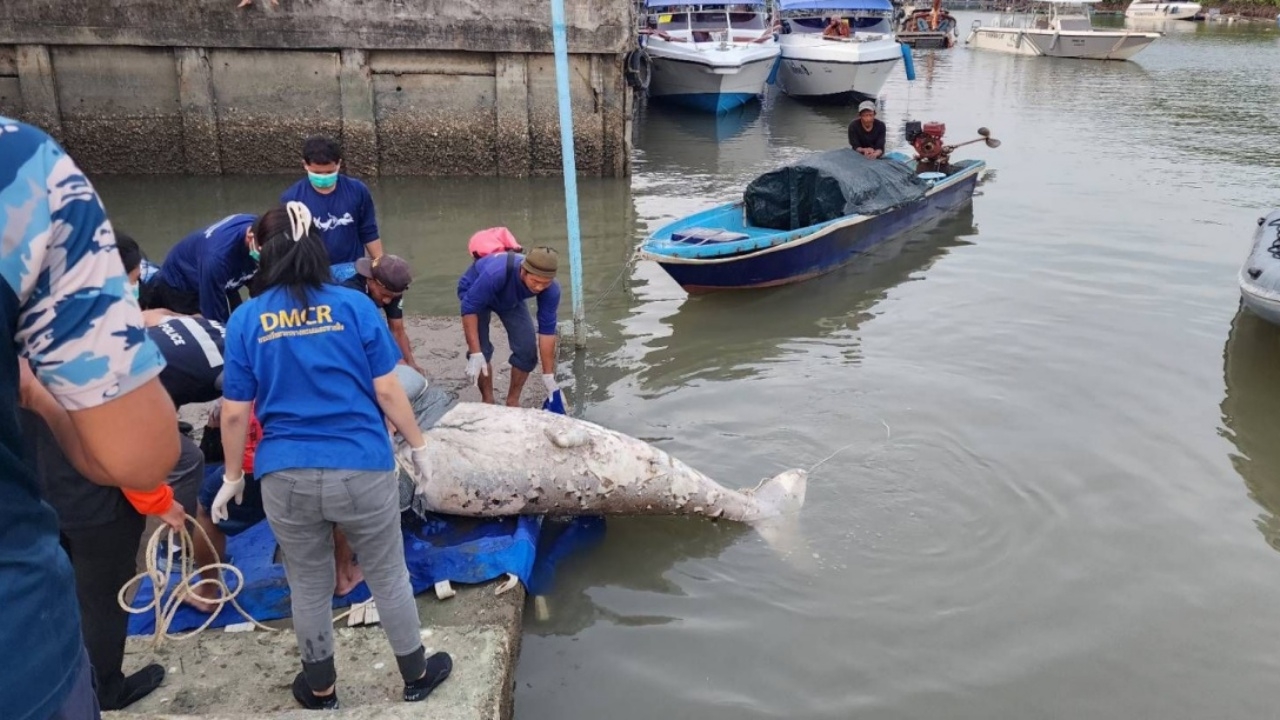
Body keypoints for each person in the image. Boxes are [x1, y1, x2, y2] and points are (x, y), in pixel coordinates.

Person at [210, 201, 451, 708]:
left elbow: (234, 413)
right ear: (318, 250)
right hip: (361, 466)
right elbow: (388, 391)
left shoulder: (247, 320)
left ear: (262, 254)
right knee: (388, 572)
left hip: (284, 475)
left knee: (308, 584)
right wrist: (421, 445)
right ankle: (415, 675)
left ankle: (320, 688)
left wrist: (233, 476)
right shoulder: (356, 307)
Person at [2, 116, 180, 720]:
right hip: (23, 626)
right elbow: (140, 454)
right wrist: (40, 397)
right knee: (102, 599)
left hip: (47, 493)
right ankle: (109, 682)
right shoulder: (23, 168)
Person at [457, 244, 563, 407]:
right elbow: (469, 307)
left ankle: (512, 401)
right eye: (535, 281)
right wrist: (475, 352)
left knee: (527, 351)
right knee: (481, 352)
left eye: (545, 283)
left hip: (509, 298)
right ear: (523, 270)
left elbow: (547, 331)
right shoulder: (496, 273)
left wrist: (548, 376)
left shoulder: (551, 290)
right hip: (475, 290)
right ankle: (488, 400)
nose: (539, 287)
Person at [280, 136, 383, 265]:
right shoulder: (292, 199)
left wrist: (380, 266)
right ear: (305, 165)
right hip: (313, 272)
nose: (323, 177)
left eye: (330, 172)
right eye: (317, 172)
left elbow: (368, 231)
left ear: (339, 164)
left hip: (352, 270)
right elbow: (288, 242)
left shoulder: (358, 190)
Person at [143, 213, 260, 323]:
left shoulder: (265, 227)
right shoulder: (216, 260)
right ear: (250, 237)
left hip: (222, 277)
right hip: (182, 287)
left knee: (240, 319)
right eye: (261, 253)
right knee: (206, 328)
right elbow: (215, 324)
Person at [335, 254, 423, 375]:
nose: (387, 301)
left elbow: (397, 331)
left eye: (392, 297)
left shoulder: (393, 286)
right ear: (371, 281)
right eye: (384, 295)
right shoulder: (350, 293)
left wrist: (410, 364)